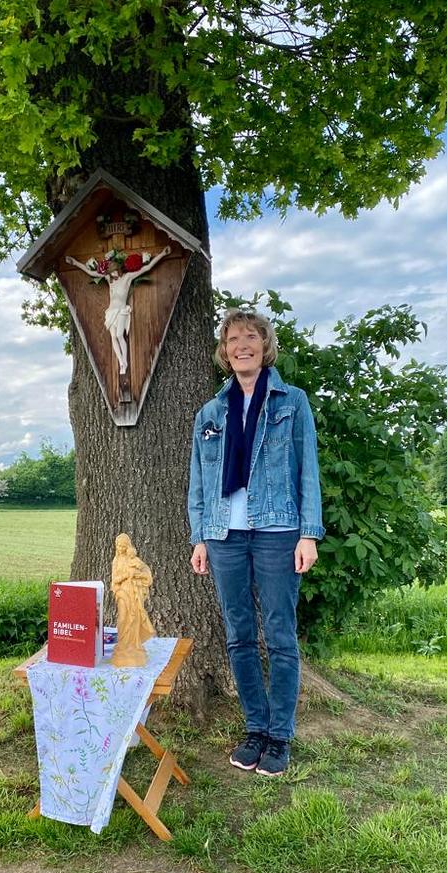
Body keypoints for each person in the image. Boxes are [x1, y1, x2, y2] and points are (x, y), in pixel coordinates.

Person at [187, 309, 324, 776]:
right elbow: (198, 483)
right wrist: (200, 537)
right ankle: (255, 729)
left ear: (265, 346)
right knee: (239, 634)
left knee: (281, 635)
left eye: (250, 337)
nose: (241, 345)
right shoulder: (210, 413)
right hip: (224, 535)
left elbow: (308, 470)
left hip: (278, 531)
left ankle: (280, 735)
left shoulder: (292, 402)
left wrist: (309, 533)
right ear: (224, 352)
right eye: (232, 339)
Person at [66, 247, 171, 373]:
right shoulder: (109, 280)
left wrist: (162, 254)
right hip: (111, 312)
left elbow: (147, 268)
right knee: (113, 337)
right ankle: (121, 362)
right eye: (111, 272)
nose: (113, 274)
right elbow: (91, 273)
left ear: (118, 269)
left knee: (120, 335)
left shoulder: (128, 277)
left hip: (121, 311)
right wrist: (75, 263)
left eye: (114, 271)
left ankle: (125, 362)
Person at [110, 533, 156, 667]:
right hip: (122, 593)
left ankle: (133, 645)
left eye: (123, 546)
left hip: (134, 593)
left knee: (134, 617)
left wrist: (137, 574)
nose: (120, 548)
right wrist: (126, 575)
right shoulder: (116, 561)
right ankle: (123, 644)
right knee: (123, 618)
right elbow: (114, 580)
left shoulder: (134, 560)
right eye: (118, 546)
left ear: (127, 547)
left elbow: (147, 576)